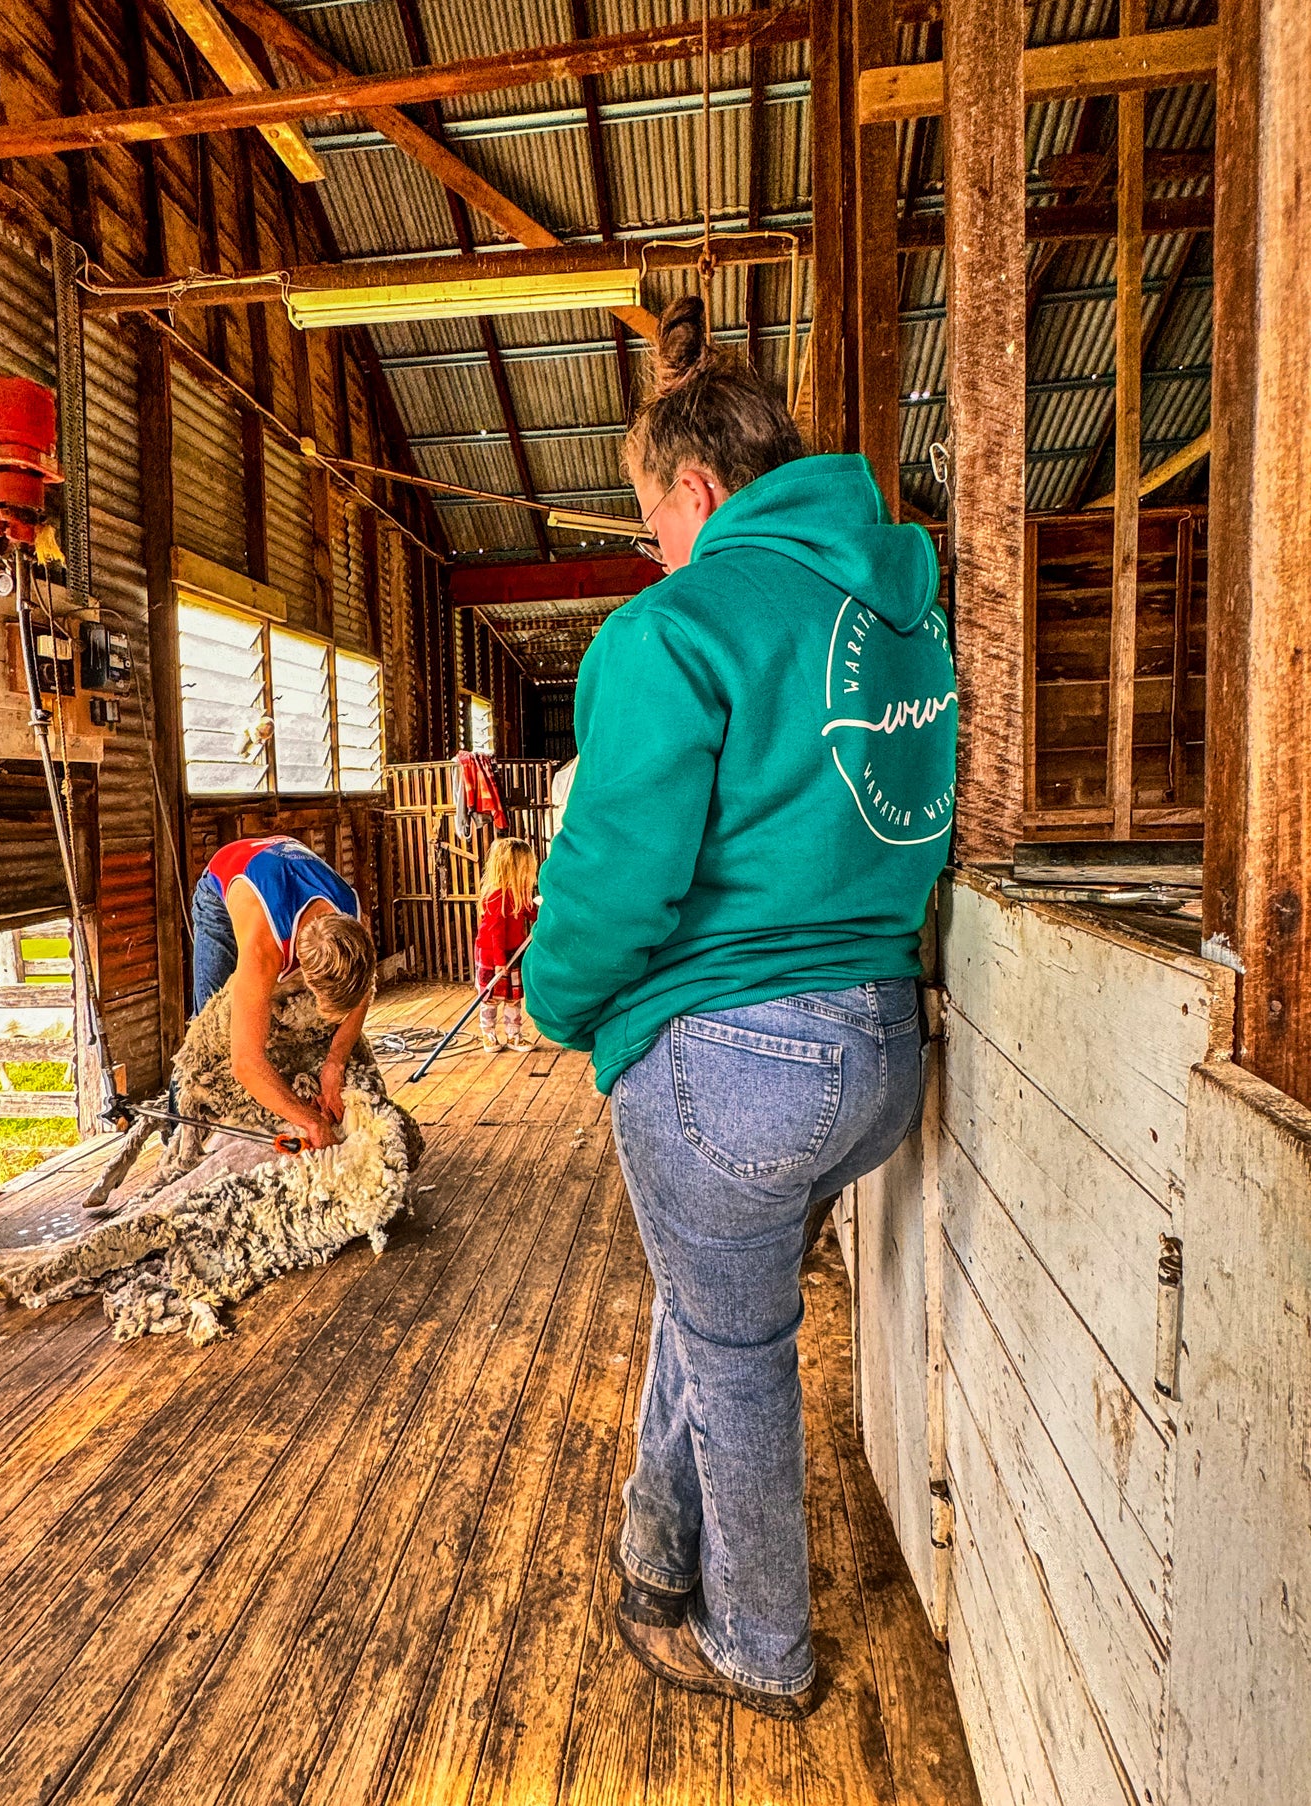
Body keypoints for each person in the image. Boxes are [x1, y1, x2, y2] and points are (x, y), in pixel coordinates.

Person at [523, 296, 956, 1721]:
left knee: (741, 1349)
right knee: (714, 1298)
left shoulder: (678, 625)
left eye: (653, 522)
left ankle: (758, 1644)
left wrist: (560, 1005)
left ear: (695, 490)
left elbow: (613, 876)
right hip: (882, 1051)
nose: (652, 551)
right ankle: (657, 1539)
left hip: (736, 1056)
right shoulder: (900, 604)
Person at [191, 833, 377, 1149]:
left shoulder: (356, 924)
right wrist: (310, 1120)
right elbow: (245, 1060)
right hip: (230, 878)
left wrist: (336, 1062)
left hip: (281, 862)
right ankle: (179, 1140)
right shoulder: (265, 948)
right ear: (304, 974)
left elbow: (363, 989)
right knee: (208, 1031)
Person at [474, 836, 538, 1053]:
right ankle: (488, 1033)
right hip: (493, 954)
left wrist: (545, 912)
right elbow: (495, 932)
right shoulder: (497, 896)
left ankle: (513, 1035)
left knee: (513, 997)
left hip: (514, 951)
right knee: (490, 997)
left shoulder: (519, 893)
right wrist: (500, 962)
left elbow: (530, 911)